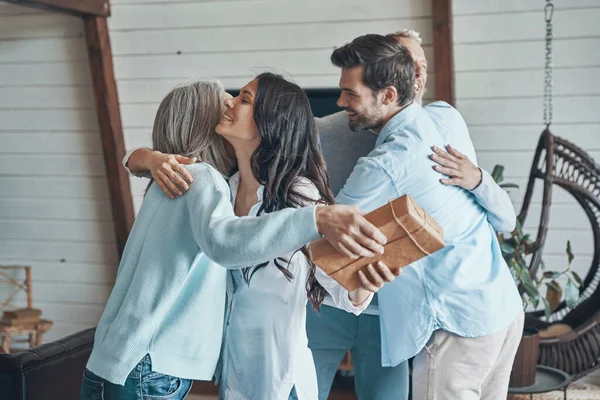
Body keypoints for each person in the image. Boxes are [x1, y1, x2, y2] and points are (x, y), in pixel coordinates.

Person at [80, 78, 389, 400]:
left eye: (243, 98)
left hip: (279, 373)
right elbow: (224, 240)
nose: (229, 103)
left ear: (269, 119)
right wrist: (147, 157)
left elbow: (337, 286)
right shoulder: (221, 187)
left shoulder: (297, 194)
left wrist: (365, 283)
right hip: (233, 370)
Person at [329, 34, 523, 400]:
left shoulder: (383, 166)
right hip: (501, 308)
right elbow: (504, 221)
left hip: (456, 328)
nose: (341, 102)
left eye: (350, 94)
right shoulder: (447, 116)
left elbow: (328, 235)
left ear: (388, 95)